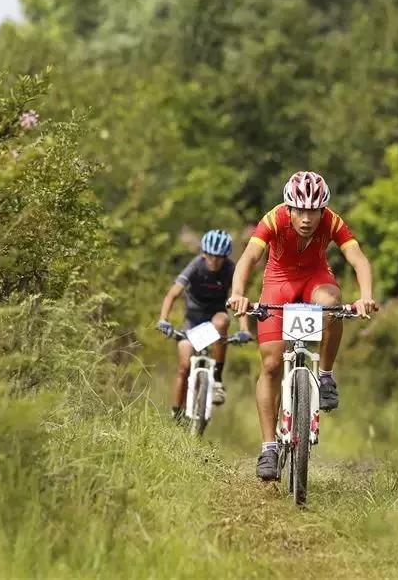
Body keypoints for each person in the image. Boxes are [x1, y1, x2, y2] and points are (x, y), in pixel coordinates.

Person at [227, 171, 379, 480]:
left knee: (333, 303)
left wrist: (365, 297)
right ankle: (269, 447)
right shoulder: (272, 219)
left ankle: (325, 376)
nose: (307, 218)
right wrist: (238, 294)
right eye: (300, 210)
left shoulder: (332, 222)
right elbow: (249, 258)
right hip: (278, 282)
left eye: (313, 211)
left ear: (322, 210)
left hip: (315, 278)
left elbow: (358, 259)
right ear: (289, 208)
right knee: (270, 364)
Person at [158, 229, 252, 421]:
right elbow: (172, 294)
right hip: (192, 323)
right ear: (203, 253)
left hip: (215, 317)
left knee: (222, 321)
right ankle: (176, 415)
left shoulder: (230, 269)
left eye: (219, 257)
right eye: (210, 256)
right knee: (184, 367)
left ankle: (216, 380)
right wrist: (163, 319)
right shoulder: (195, 266)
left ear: (225, 257)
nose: (214, 261)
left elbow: (239, 299)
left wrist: (244, 329)